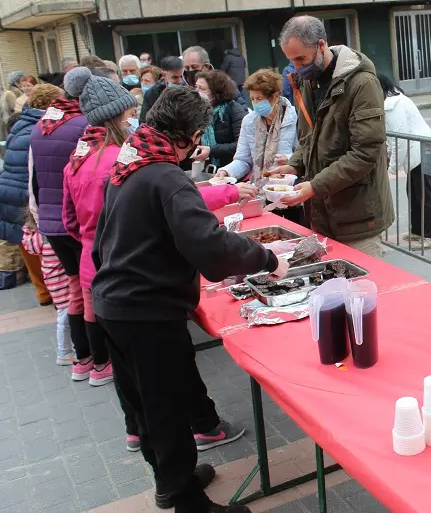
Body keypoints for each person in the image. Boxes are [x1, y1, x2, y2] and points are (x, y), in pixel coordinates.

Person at [91, 87, 283, 513]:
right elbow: (210, 247)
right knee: (167, 409)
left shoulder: (131, 160)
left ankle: (171, 478)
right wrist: (267, 259)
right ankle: (185, 501)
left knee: (143, 405)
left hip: (113, 302)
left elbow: (104, 239)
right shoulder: (166, 176)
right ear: (191, 134)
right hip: (146, 312)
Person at [267, 16, 394, 257]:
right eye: (291, 60)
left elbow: (365, 152)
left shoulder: (362, 83)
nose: (296, 68)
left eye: (300, 59)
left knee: (360, 287)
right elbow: (309, 140)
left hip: (358, 215)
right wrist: (294, 166)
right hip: (322, 212)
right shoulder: (307, 83)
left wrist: (314, 186)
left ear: (321, 45)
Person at [29, 67, 91, 381]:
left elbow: (34, 180)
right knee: (91, 290)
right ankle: (99, 357)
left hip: (52, 223)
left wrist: (39, 218)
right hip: (77, 222)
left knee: (73, 289)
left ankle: (81, 358)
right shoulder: (84, 126)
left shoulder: (42, 126)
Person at [0, 83, 64, 305]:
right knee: (39, 246)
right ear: (50, 104)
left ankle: (42, 293)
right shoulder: (40, 127)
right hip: (24, 193)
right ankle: (51, 294)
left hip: (8, 189)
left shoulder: (20, 124)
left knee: (24, 243)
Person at [379, 74, 431, 250]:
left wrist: (392, 167)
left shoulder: (392, 106)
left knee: (424, 193)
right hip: (417, 151)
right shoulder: (395, 100)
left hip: (422, 150)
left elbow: (400, 139)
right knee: (414, 191)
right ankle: (418, 230)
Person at [215, 69, 297, 181]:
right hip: (258, 186)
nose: (255, 104)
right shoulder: (249, 121)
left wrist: (289, 159)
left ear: (276, 96)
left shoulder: (294, 118)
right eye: (252, 99)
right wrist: (226, 171)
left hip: (287, 185)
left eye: (259, 99)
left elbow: (305, 154)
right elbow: (243, 160)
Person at [21, 211, 73, 365]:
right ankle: (64, 352)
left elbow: (32, 248)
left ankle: (70, 349)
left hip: (52, 277)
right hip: (59, 278)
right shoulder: (43, 234)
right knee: (65, 316)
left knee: (66, 313)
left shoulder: (35, 234)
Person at [193, 70, 248, 169]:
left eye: (202, 88)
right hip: (204, 169)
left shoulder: (234, 109)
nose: (197, 92)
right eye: (196, 87)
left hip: (230, 169)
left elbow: (241, 145)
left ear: (216, 92)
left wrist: (211, 150)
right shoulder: (195, 111)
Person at [140, 55, 185, 121]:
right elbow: (144, 121)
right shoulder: (152, 94)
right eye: (175, 77)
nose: (180, 81)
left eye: (182, 76)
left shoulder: (190, 89)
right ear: (164, 75)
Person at [0, 71, 24, 141]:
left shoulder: (10, 91)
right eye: (22, 81)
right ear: (16, 83)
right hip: (14, 123)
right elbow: (14, 109)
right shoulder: (12, 93)